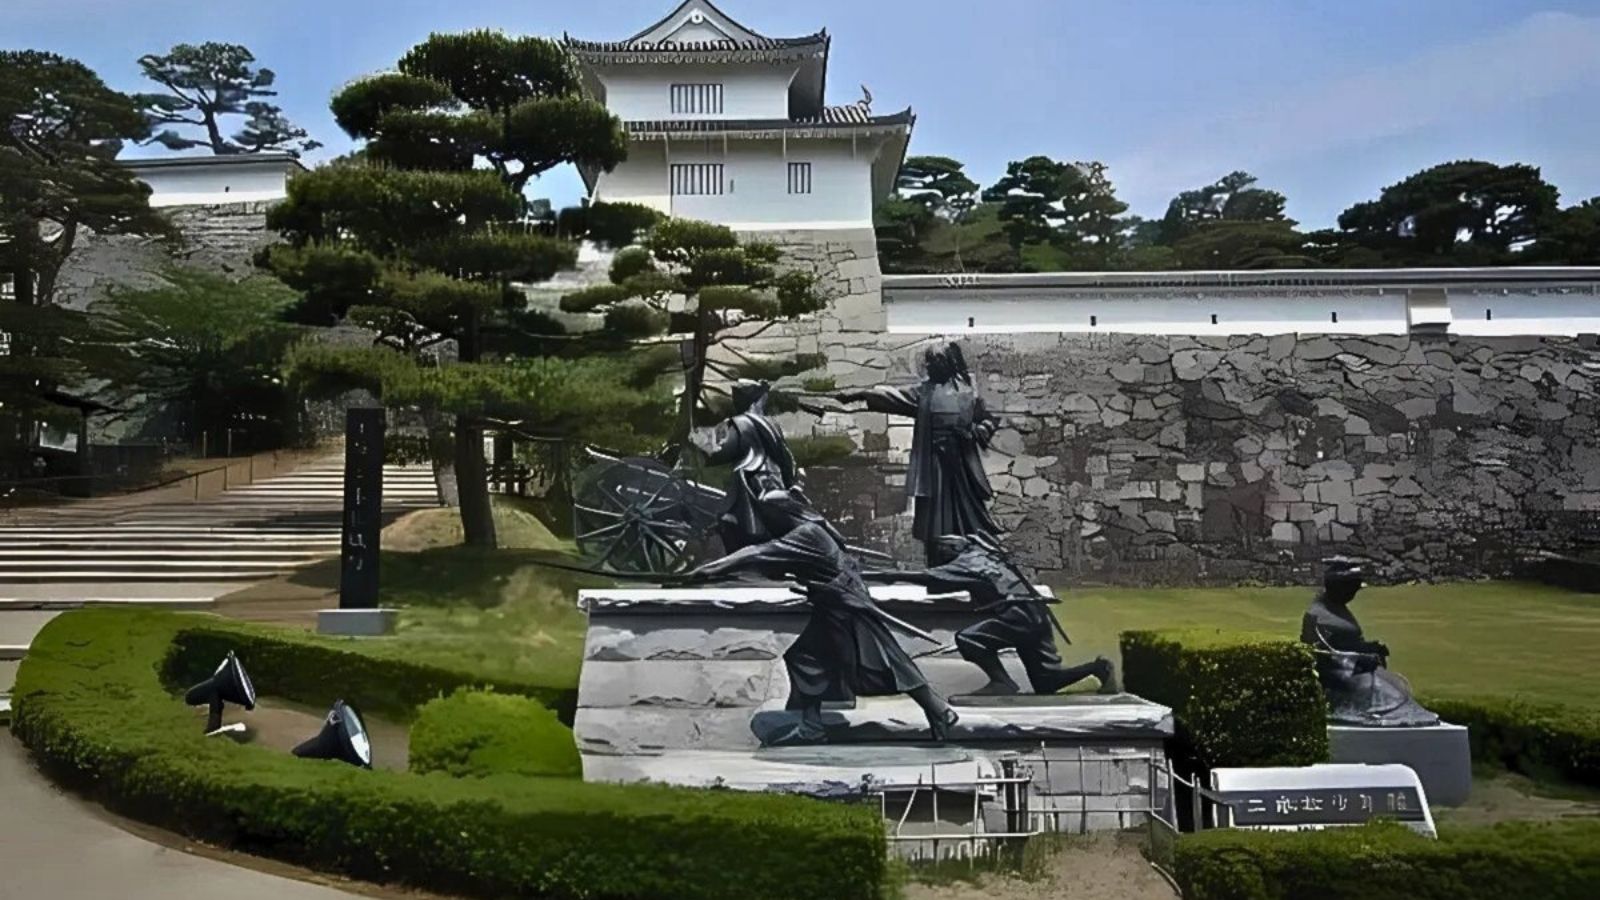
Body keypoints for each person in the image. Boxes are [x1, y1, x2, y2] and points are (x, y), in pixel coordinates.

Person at [683, 488, 959, 745]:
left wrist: (709, 570)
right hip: (834, 605)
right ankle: (812, 725)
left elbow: (759, 553)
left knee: (884, 662)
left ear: (782, 514)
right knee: (806, 657)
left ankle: (938, 710)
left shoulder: (806, 534)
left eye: (768, 515)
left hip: (845, 607)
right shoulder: (815, 531)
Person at [867, 534, 1116, 696]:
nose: (940, 552)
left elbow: (927, 577)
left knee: (969, 639)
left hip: (1016, 615)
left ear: (955, 547)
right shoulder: (987, 556)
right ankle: (1098, 667)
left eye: (942, 548)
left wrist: (879, 576)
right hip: (1036, 613)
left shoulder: (968, 564)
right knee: (1047, 683)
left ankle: (1002, 682)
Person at [838, 343, 1001, 564]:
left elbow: (988, 418)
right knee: (936, 519)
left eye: (934, 361)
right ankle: (939, 560)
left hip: (961, 465)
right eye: (928, 362)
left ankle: (975, 557)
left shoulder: (967, 392)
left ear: (946, 363)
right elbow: (892, 397)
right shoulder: (924, 393)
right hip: (934, 466)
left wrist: (977, 431)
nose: (929, 366)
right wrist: (860, 394)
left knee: (968, 515)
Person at [1300, 558, 1440, 728]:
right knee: (1386, 692)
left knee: (1397, 684)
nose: (1352, 596)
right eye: (1350, 591)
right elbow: (1320, 656)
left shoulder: (1338, 608)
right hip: (1338, 677)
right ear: (1338, 588)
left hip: (1354, 669)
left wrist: (1369, 648)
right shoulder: (1318, 616)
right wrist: (1358, 660)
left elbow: (1347, 642)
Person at [698, 380, 802, 552]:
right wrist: (791, 484)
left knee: (731, 520)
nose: (765, 402)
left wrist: (699, 442)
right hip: (775, 482)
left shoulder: (740, 424)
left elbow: (719, 454)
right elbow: (787, 459)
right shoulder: (772, 425)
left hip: (752, 485)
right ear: (756, 401)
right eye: (763, 399)